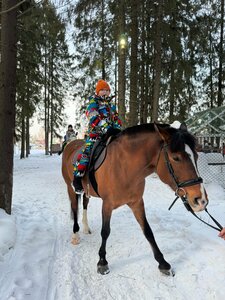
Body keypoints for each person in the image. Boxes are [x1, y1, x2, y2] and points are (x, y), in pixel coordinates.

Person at [73, 79, 122, 194]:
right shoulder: (93, 101)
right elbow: (93, 116)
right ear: (98, 91)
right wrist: (106, 128)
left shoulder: (111, 105)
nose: (105, 92)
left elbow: (116, 118)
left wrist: (118, 128)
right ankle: (77, 179)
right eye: (102, 90)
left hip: (111, 133)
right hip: (96, 134)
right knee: (87, 152)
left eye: (107, 90)